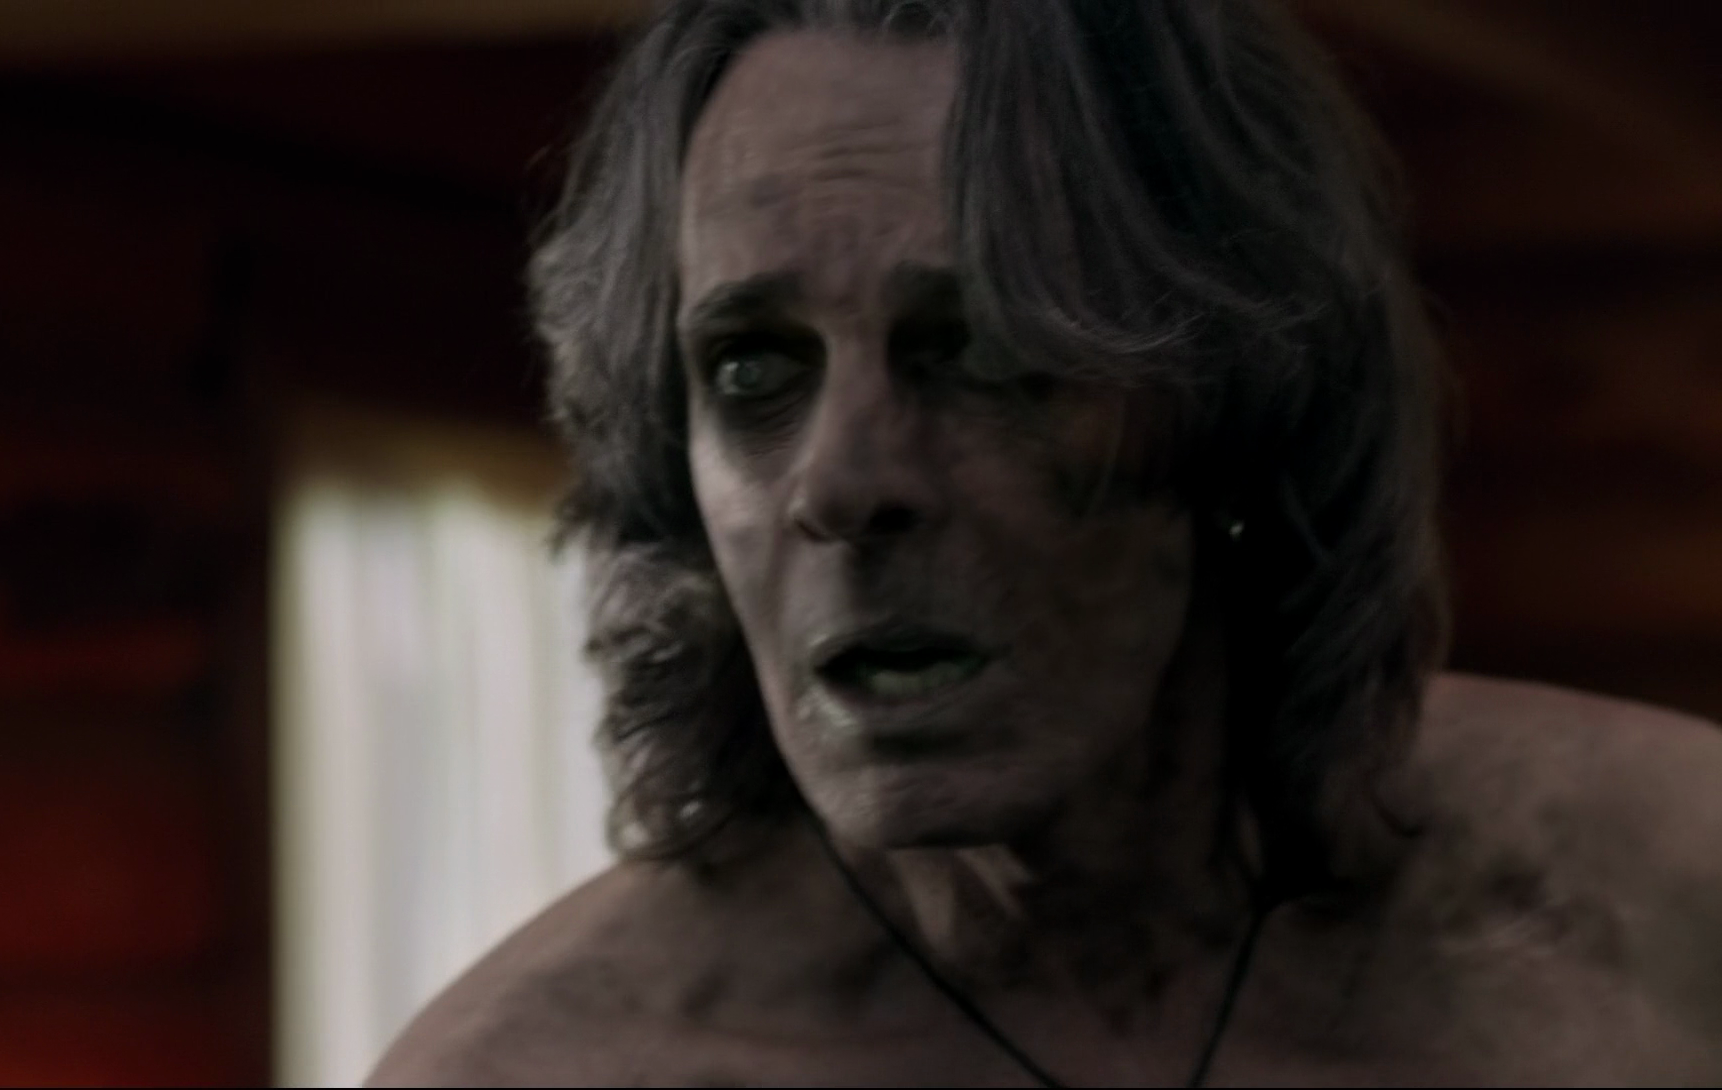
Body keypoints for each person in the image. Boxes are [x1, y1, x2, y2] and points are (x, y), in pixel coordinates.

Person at [372, 1, 1722, 1084]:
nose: (840, 483)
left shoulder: (1669, 897)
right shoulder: (543, 1065)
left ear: (1238, 396)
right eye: (752, 369)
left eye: (978, 347)